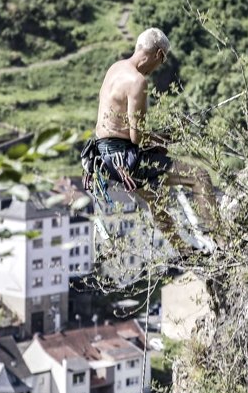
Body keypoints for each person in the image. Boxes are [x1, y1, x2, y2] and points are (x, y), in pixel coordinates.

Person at [94, 27, 219, 254]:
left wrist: (161, 138)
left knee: (155, 197)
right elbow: (136, 137)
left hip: (106, 157)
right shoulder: (137, 82)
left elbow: (121, 131)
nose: (158, 67)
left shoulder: (115, 69)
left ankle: (185, 253)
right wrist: (168, 136)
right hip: (127, 158)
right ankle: (219, 240)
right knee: (199, 176)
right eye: (161, 61)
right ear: (158, 54)